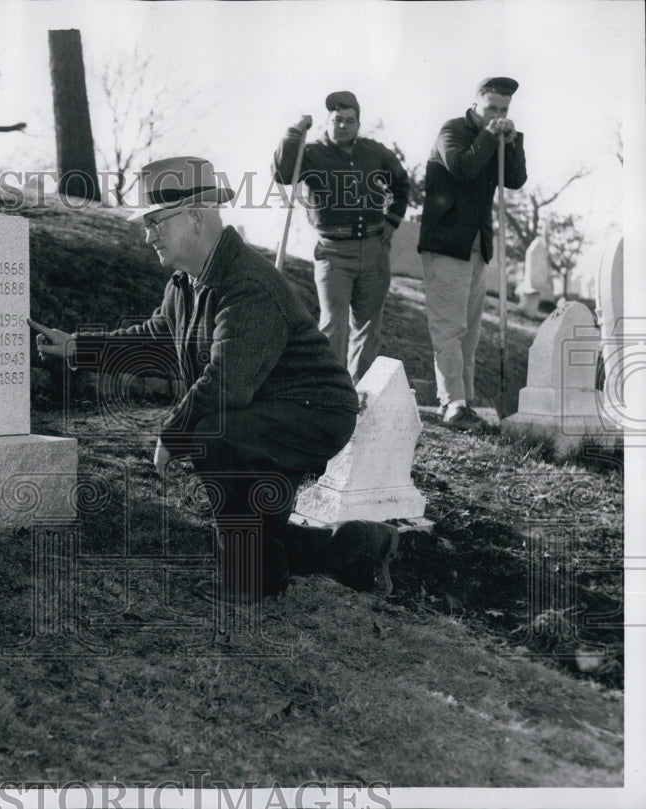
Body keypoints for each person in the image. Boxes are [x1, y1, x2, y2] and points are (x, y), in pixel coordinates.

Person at [29, 156, 399, 603]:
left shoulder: (246, 285)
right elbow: (157, 341)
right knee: (261, 537)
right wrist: (77, 347)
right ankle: (362, 547)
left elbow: (225, 385)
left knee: (211, 432)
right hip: (265, 414)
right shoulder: (186, 283)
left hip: (312, 416)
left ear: (195, 217)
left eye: (155, 222)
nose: (148, 235)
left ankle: (252, 582)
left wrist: (173, 434)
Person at [273, 91, 410, 384]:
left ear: (358, 124)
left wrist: (393, 219)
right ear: (328, 122)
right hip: (333, 254)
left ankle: (358, 394)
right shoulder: (310, 153)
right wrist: (295, 131)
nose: (343, 126)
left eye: (349, 120)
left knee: (368, 328)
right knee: (333, 325)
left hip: (374, 250)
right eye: (337, 120)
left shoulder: (374, 151)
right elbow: (283, 173)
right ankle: (329, 390)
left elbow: (401, 181)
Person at [417, 77, 527, 429]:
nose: (498, 115)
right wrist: (490, 137)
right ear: (475, 103)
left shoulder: (493, 137)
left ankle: (462, 401)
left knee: (471, 330)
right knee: (449, 328)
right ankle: (452, 402)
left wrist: (511, 143)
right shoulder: (452, 130)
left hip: (478, 246)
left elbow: (515, 179)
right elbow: (462, 168)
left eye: (504, 110)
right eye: (492, 108)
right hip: (447, 244)